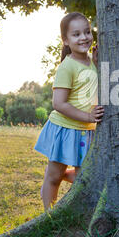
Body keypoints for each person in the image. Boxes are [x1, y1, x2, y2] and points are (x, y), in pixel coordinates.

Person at [34, 12, 104, 211]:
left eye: (87, 32)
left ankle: (66, 177)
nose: (84, 37)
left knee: (85, 178)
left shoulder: (91, 62)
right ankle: (48, 214)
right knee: (53, 177)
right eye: (76, 34)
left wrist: (97, 65)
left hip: (85, 130)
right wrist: (89, 116)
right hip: (65, 129)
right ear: (65, 40)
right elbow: (59, 103)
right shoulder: (67, 67)